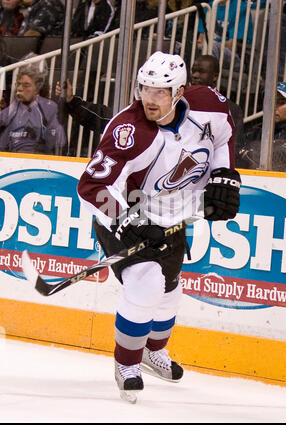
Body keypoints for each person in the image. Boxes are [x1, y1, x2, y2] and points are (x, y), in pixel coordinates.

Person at [77, 51, 241, 403]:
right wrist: (128, 220)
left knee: (169, 294)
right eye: (144, 89)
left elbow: (224, 137)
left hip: (171, 217)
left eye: (159, 92)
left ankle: (153, 352)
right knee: (146, 285)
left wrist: (226, 174)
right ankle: (127, 363)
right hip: (122, 218)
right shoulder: (130, 130)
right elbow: (91, 187)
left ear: (179, 92)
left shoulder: (209, 104)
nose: (149, 99)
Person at [191, 55, 249, 168]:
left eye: (201, 72)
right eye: (193, 71)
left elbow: (234, 146)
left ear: (215, 77)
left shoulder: (230, 109)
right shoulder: (181, 103)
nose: (195, 75)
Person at [0, 61, 66, 154]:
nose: (20, 88)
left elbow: (58, 143)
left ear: (38, 88)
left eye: (26, 85)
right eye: (18, 84)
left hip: (38, 164)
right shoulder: (10, 112)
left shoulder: (48, 109)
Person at [197, 0, 253, 71]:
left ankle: (207, 80)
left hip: (234, 57)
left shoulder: (241, 7)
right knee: (179, 46)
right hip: (210, 49)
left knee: (213, 46)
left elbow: (232, 46)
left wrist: (209, 44)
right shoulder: (208, 7)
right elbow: (200, 40)